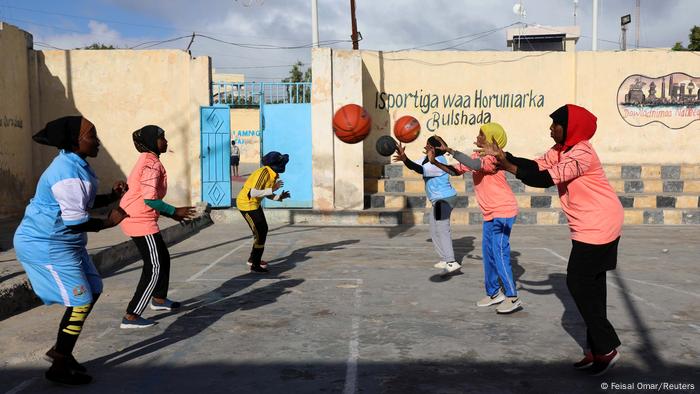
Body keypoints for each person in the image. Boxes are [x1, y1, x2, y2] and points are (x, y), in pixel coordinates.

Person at [480, 104, 624, 376]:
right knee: (592, 287)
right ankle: (596, 349)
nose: (551, 128)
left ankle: (607, 348)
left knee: (578, 282)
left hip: (599, 223)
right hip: (589, 223)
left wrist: (508, 166)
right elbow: (536, 164)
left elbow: (544, 178)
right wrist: (505, 156)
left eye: (556, 124)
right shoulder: (561, 150)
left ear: (570, 128)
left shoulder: (581, 154)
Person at [13, 116, 129, 385]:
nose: (97, 141)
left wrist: (112, 197)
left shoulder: (77, 165)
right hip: (45, 244)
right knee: (81, 299)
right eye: (92, 136)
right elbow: (75, 220)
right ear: (75, 141)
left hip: (65, 242)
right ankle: (60, 363)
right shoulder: (66, 172)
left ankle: (61, 351)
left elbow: (80, 202)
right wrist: (108, 222)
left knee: (94, 289)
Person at [427, 124, 521, 314]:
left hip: (503, 211)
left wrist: (452, 151)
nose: (477, 137)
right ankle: (494, 293)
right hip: (490, 213)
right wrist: (436, 161)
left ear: (492, 140)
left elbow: (476, 166)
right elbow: (455, 171)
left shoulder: (494, 159)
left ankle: (512, 296)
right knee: (489, 254)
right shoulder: (477, 156)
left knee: (500, 252)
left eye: (481, 134)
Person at [119, 125, 196, 329]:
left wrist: (171, 214)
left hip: (139, 216)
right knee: (154, 266)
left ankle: (159, 299)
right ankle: (132, 315)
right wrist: (174, 211)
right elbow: (150, 199)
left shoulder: (148, 160)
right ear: (153, 141)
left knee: (162, 257)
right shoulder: (151, 164)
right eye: (162, 138)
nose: (166, 141)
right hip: (139, 220)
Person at [394, 136, 461, 275]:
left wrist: (406, 159)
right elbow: (415, 164)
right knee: (433, 228)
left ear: (434, 148)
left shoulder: (438, 162)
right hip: (438, 200)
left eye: (428, 145)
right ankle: (445, 258)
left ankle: (451, 261)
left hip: (445, 199)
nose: (425, 147)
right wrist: (404, 157)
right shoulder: (427, 160)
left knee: (442, 229)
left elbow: (419, 169)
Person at [236, 151, 290, 273]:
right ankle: (255, 265)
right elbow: (253, 193)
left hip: (254, 204)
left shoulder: (273, 174)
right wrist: (273, 188)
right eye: (282, 163)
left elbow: (266, 193)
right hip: (246, 205)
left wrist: (279, 197)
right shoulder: (264, 173)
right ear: (275, 164)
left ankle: (253, 259)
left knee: (262, 231)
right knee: (260, 232)